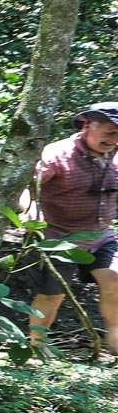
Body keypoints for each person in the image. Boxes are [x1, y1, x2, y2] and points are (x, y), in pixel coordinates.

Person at [28, 102, 118, 355]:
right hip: (57, 236)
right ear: (88, 126)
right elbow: (24, 185)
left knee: (115, 279)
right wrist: (29, 215)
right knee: (53, 294)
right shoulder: (57, 153)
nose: (114, 139)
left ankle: (115, 341)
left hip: (101, 234)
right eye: (109, 132)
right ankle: (38, 347)